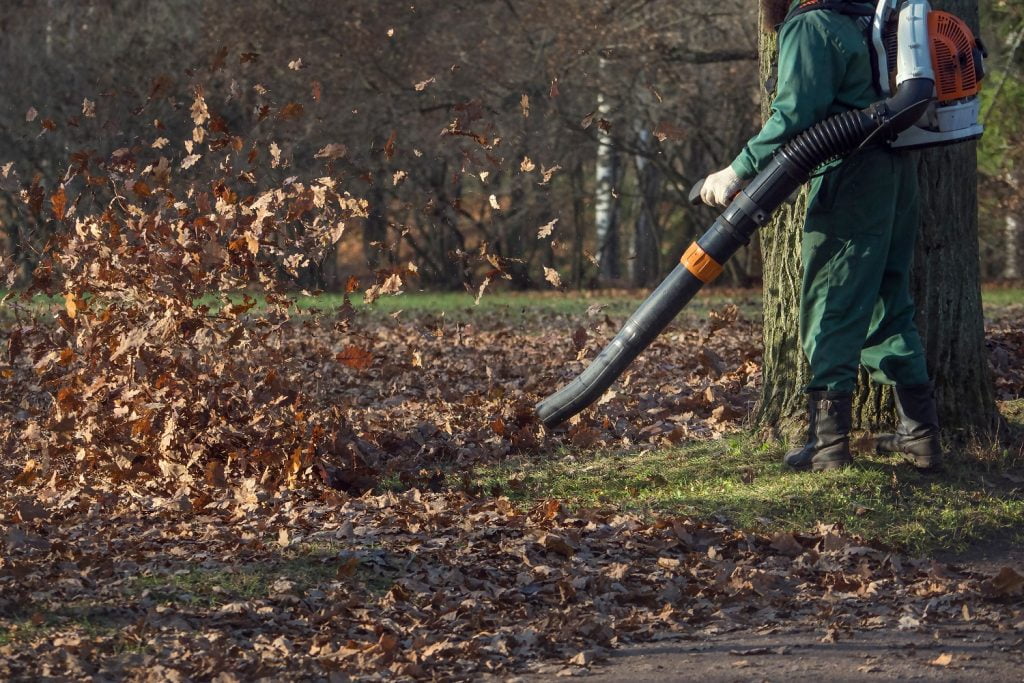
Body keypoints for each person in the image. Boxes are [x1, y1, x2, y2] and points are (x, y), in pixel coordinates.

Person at [700, 0, 942, 472]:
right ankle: (922, 437)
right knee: (887, 301)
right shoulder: (861, 19)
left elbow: (793, 117)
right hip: (895, 174)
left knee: (832, 300)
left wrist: (737, 170)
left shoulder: (813, 24)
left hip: (850, 176)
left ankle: (827, 445)